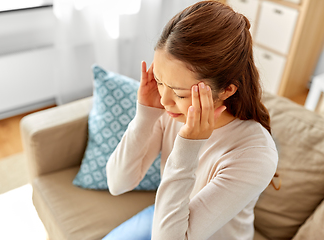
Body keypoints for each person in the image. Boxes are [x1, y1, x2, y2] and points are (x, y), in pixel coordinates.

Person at [104, 1, 278, 239]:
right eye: (159, 81)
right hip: (166, 216)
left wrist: (188, 146)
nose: (164, 100)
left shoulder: (254, 153)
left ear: (227, 90)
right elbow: (118, 183)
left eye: (180, 93)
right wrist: (145, 115)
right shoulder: (170, 111)